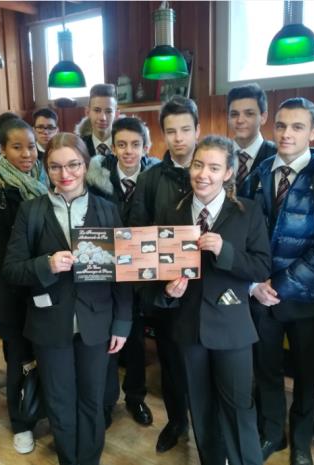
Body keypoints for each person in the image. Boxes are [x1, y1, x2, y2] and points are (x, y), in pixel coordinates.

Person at [3, 133, 132, 465]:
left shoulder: (107, 210)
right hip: (50, 323)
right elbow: (12, 270)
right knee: (60, 399)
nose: (66, 174)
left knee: (92, 397)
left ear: (85, 165)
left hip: (97, 321)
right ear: (47, 169)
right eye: (56, 167)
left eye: (73, 164)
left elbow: (122, 273)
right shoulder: (31, 212)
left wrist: (122, 322)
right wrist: (45, 265)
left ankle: (88, 459)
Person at [246, 97, 314, 465]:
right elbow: (244, 235)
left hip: (304, 298)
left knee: (308, 376)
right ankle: (272, 433)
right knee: (267, 369)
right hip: (261, 296)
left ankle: (301, 442)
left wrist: (282, 286)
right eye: (281, 126)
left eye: (297, 126)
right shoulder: (256, 175)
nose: (287, 134)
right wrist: (257, 284)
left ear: (313, 131)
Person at [158, 135, 272, 465]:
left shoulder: (247, 212)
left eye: (213, 167)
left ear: (228, 172)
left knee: (238, 408)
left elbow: (261, 265)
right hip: (188, 326)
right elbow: (157, 270)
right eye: (197, 164)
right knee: (201, 407)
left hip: (232, 327)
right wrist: (167, 290)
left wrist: (226, 250)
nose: (203, 174)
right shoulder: (172, 212)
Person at [129, 95, 200, 453]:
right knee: (172, 362)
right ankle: (176, 422)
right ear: (162, 135)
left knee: (205, 362)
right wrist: (160, 281)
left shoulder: (212, 168)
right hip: (167, 288)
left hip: (208, 289)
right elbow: (138, 233)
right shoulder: (150, 178)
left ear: (197, 130)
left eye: (185, 129)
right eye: (171, 131)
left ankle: (206, 426)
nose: (179, 138)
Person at [0, 118, 48, 454]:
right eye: (17, 147)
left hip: (48, 289)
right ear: (3, 149)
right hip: (16, 292)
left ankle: (44, 411)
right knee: (19, 360)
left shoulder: (46, 181)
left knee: (46, 358)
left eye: (31, 146)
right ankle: (21, 423)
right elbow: (1, 252)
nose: (26, 153)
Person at [86, 116, 160, 428]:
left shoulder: (156, 179)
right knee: (107, 338)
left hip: (142, 273)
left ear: (147, 146)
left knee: (135, 339)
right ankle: (105, 401)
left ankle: (135, 397)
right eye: (121, 145)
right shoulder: (96, 180)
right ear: (112, 147)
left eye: (135, 144)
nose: (128, 151)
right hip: (106, 271)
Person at [226, 84, 277, 198]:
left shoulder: (276, 156)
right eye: (234, 114)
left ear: (263, 117)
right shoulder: (218, 154)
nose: (240, 120)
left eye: (249, 114)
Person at [82, 84, 119, 157]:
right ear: (87, 112)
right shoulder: (79, 147)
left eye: (108, 111)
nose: (103, 118)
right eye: (97, 110)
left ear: (117, 115)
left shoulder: (127, 146)